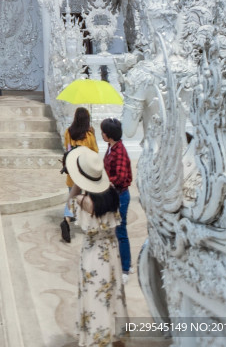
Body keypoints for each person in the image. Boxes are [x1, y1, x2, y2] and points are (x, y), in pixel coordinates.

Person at [65, 146, 127, 347]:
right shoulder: (112, 196)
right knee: (111, 292)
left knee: (94, 295)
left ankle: (95, 337)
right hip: (111, 250)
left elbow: (70, 200)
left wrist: (76, 179)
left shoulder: (84, 201)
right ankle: (112, 333)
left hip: (93, 254)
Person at [100, 117, 132, 281]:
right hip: (113, 194)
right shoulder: (111, 147)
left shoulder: (119, 151)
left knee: (120, 231)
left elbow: (120, 177)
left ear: (109, 135)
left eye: (103, 132)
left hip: (120, 195)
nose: (102, 134)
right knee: (112, 229)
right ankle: (119, 262)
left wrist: (105, 183)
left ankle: (126, 269)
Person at [61, 107, 99, 241]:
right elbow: (95, 152)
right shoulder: (88, 135)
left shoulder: (68, 132)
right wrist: (93, 135)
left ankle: (66, 220)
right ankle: (89, 225)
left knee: (72, 196)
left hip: (72, 170)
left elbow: (67, 148)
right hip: (86, 171)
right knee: (87, 198)